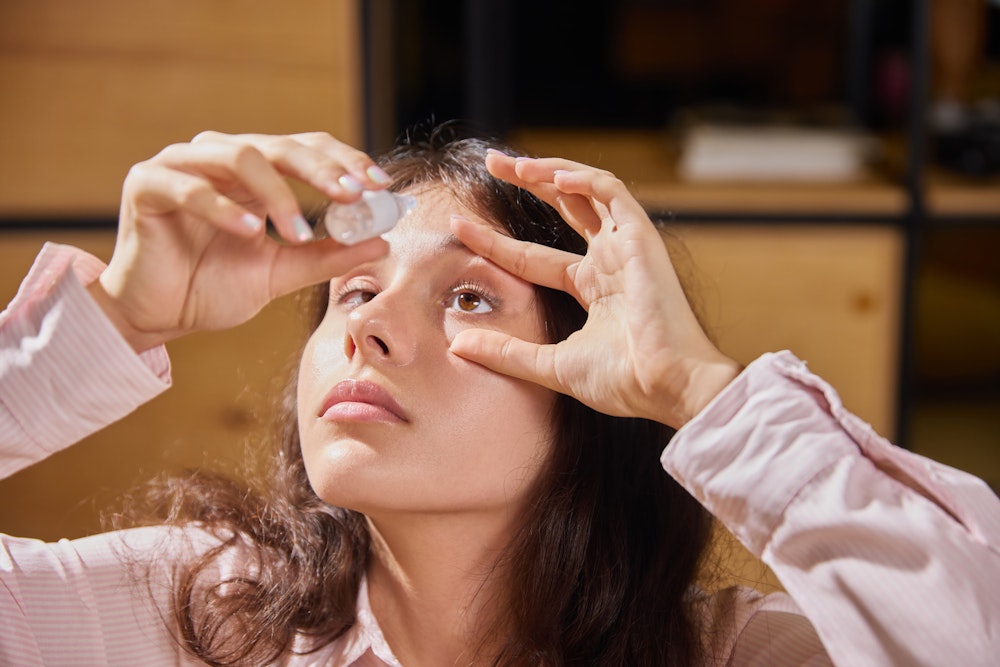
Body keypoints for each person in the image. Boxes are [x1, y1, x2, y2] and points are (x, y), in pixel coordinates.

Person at [1, 123, 998, 667]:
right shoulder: (195, 621)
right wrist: (114, 320)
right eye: (353, 289)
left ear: (590, 382)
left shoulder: (737, 655)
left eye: (467, 295)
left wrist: (697, 391)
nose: (365, 326)